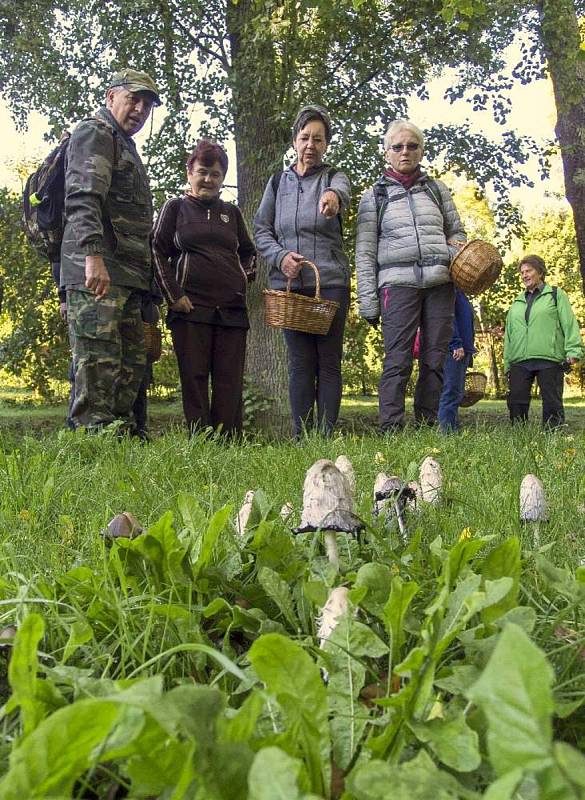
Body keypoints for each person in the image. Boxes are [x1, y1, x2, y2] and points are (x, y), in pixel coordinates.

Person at [60, 68, 161, 433]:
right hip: (99, 275)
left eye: (146, 104)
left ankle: (118, 453)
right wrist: (92, 257)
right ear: (110, 96)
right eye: (133, 98)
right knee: (98, 370)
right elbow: (83, 198)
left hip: (128, 277)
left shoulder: (123, 143)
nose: (139, 109)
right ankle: (90, 453)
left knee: (130, 369)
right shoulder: (96, 133)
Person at [355, 119, 466, 432]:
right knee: (398, 360)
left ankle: (428, 424)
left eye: (412, 146)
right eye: (398, 146)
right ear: (387, 153)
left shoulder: (436, 189)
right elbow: (364, 252)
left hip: (439, 283)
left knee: (435, 359)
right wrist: (368, 302)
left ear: (421, 151)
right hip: (397, 285)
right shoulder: (374, 197)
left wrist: (455, 249)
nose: (405, 151)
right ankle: (390, 428)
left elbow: (456, 231)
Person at [254, 104, 351, 437]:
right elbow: (261, 230)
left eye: (319, 139)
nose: (311, 145)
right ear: (295, 140)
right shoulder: (277, 182)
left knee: (327, 362)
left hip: (330, 283)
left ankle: (323, 437)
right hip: (290, 287)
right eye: (305, 137)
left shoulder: (333, 176)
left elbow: (341, 193)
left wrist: (332, 197)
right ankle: (301, 436)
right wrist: (280, 257)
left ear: (326, 144)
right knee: (299, 364)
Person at [152, 140, 256, 437]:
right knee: (194, 377)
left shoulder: (231, 213)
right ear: (189, 173)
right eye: (202, 172)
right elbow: (156, 251)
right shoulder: (175, 208)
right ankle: (201, 440)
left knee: (229, 379)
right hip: (190, 308)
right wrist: (174, 296)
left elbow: (249, 251)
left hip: (232, 309)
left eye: (215, 174)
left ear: (222, 178)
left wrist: (243, 276)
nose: (208, 179)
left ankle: (229, 442)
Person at [504, 254, 583, 428]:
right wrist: (507, 363)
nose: (525, 275)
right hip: (520, 359)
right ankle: (519, 436)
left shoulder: (555, 294)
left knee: (552, 401)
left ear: (539, 271)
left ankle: (552, 436)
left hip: (549, 357)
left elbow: (569, 323)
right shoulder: (517, 301)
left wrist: (573, 350)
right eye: (522, 272)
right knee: (516, 400)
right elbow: (509, 335)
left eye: (529, 270)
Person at [438, 288, 476, 432]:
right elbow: (449, 319)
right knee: (451, 391)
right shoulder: (451, 291)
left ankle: (453, 426)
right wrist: (455, 343)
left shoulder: (461, 293)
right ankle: (447, 431)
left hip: (463, 349)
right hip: (455, 349)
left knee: (456, 392)